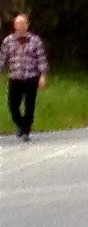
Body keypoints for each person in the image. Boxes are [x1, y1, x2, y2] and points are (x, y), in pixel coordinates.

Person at [4, 12, 47, 140]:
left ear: (27, 25)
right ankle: (21, 125)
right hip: (15, 76)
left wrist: (43, 76)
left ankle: (26, 131)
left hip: (31, 77)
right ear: (14, 26)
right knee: (13, 105)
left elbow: (41, 59)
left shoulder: (35, 41)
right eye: (17, 24)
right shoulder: (8, 41)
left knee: (29, 104)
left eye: (22, 23)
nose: (20, 26)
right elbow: (2, 59)